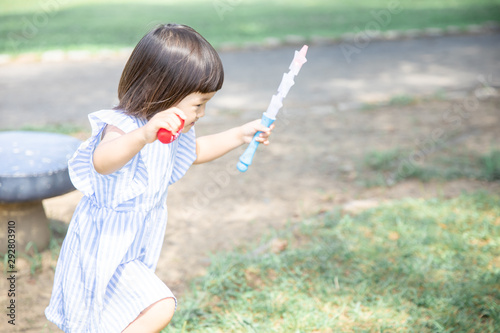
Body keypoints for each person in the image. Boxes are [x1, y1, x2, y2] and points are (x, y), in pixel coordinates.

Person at [45, 23, 274, 333]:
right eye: (199, 105)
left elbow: (195, 152)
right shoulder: (124, 126)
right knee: (155, 306)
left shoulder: (172, 131)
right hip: (102, 246)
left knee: (110, 318)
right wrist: (143, 135)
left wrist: (240, 134)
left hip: (132, 248)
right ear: (163, 91)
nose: (201, 114)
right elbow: (102, 161)